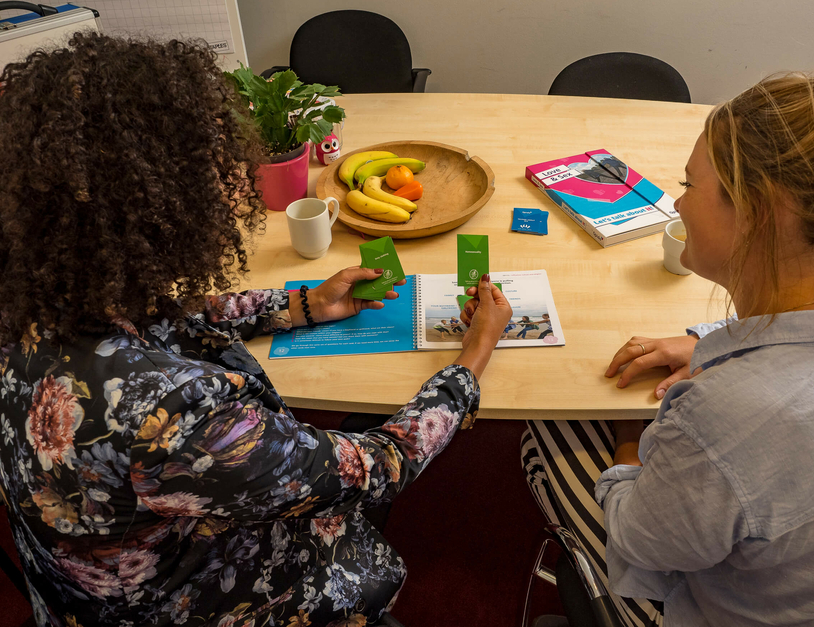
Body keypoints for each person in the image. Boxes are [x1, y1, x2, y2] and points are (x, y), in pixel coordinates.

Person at [0, 33, 513, 627]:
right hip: (187, 605)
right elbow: (375, 467)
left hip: (75, 591)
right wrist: (470, 362)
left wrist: (300, 307)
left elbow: (167, 319)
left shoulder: (33, 298)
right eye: (215, 174)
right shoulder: (177, 413)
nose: (235, 185)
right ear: (156, 203)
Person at [515, 73, 814, 626]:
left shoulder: (724, 415)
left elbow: (646, 544)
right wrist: (706, 339)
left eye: (690, 185)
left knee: (549, 419)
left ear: (760, 212)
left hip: (708, 605)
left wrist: (632, 435)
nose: (676, 202)